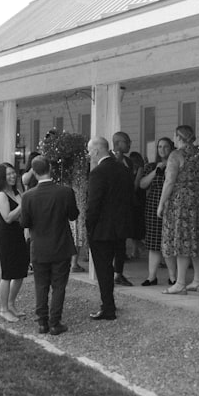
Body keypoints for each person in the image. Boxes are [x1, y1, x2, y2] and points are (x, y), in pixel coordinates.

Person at [20, 156, 78, 335]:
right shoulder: (65, 192)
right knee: (59, 285)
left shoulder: (28, 196)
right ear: (50, 169)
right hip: (60, 244)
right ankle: (55, 322)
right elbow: (73, 215)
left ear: (34, 172)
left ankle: (42, 322)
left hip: (39, 246)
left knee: (41, 285)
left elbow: (25, 223)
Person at [85, 136, 134, 321]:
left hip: (102, 229)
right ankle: (109, 304)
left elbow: (93, 204)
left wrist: (89, 225)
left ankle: (108, 307)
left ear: (97, 151)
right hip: (120, 227)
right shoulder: (124, 169)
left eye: (90, 151)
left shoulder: (98, 172)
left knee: (103, 270)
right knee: (113, 266)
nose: (90, 155)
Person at [158, 125, 199, 294]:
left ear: (178, 137)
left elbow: (169, 181)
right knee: (196, 240)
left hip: (181, 203)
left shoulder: (176, 155)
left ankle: (180, 283)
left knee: (181, 241)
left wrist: (161, 203)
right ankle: (197, 280)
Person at [0, 162, 28, 322]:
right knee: (7, 274)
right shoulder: (1, 195)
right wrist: (22, 204)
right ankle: (3, 308)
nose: (13, 176)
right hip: (7, 237)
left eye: (14, 173)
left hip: (19, 235)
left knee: (20, 272)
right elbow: (8, 217)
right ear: (2, 177)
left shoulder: (17, 192)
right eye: (9, 174)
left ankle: (12, 304)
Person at [139, 137, 177, 286]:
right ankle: (151, 276)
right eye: (160, 147)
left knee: (169, 242)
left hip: (171, 205)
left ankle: (173, 277)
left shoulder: (176, 164)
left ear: (171, 148)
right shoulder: (151, 166)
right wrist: (156, 170)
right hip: (153, 205)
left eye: (166, 147)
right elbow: (142, 184)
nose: (162, 150)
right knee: (154, 242)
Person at [110, 131, 137, 286]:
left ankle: (118, 272)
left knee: (121, 242)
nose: (129, 145)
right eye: (127, 142)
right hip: (113, 207)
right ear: (118, 143)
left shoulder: (128, 161)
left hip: (126, 207)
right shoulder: (108, 159)